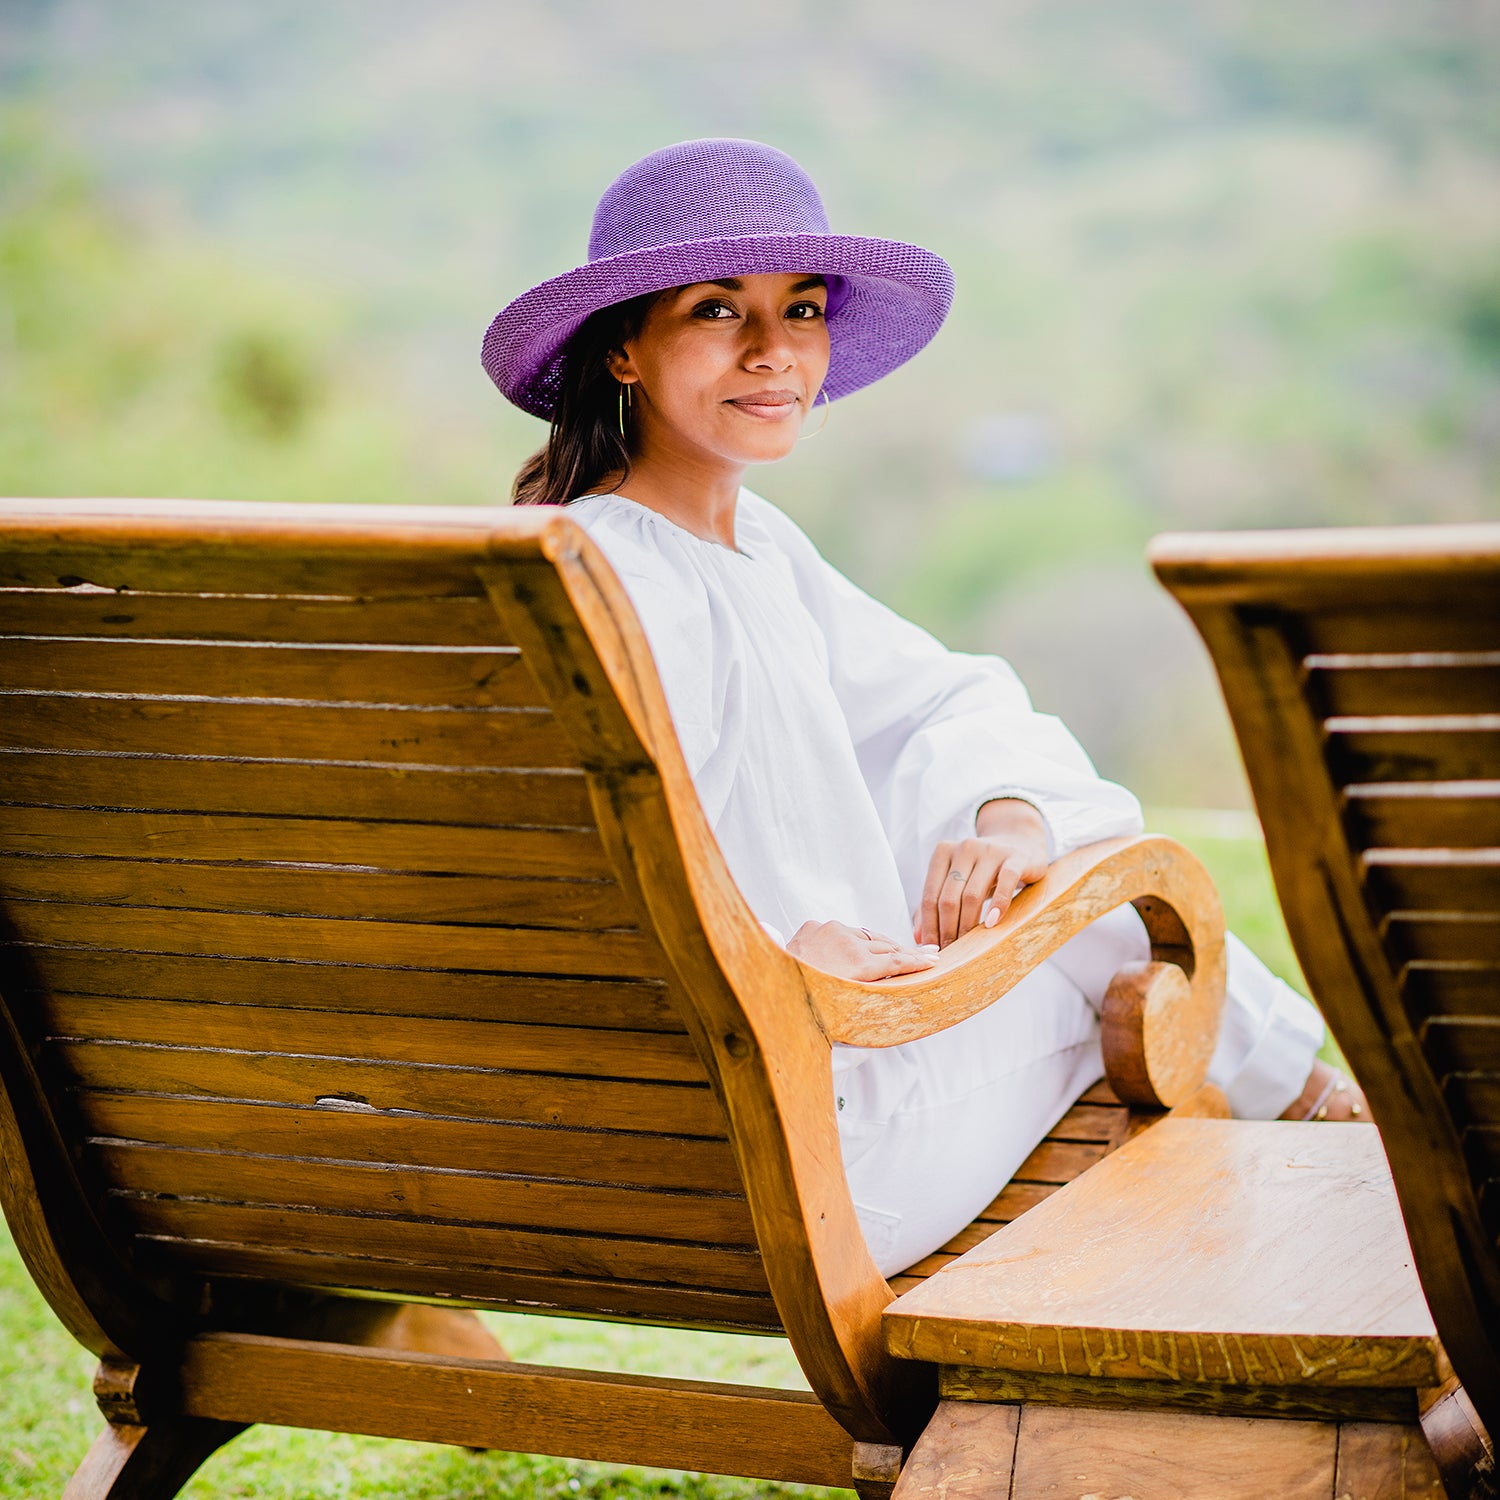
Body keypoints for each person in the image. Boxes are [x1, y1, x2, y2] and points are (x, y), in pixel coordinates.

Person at [481, 138, 1367, 1277]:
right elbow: (561, 852)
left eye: (799, 310)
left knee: (1032, 859)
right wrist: (768, 946)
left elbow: (945, 693)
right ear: (622, 350)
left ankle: (1323, 1120)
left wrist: (1006, 813)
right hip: (801, 1152)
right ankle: (1339, 1139)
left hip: (638, 1147)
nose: (773, 350)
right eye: (717, 311)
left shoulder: (728, 549)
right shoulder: (626, 577)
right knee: (1112, 934)